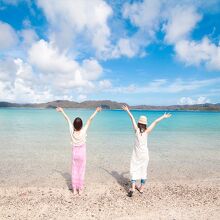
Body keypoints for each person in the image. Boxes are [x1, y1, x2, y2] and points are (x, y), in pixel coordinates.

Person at [122, 105, 171, 197]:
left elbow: (131, 117)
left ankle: (133, 187)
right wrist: (163, 117)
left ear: (139, 123)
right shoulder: (147, 131)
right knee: (143, 170)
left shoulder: (136, 130)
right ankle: (141, 188)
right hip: (145, 155)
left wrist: (127, 111)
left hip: (136, 155)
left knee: (134, 169)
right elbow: (155, 122)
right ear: (145, 124)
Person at [56, 106, 102, 195]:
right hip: (82, 154)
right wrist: (96, 111)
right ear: (81, 125)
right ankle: (80, 189)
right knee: (81, 171)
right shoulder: (83, 130)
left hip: (75, 154)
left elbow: (67, 119)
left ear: (73, 125)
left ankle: (74, 189)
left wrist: (62, 111)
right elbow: (90, 119)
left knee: (74, 170)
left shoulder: (71, 131)